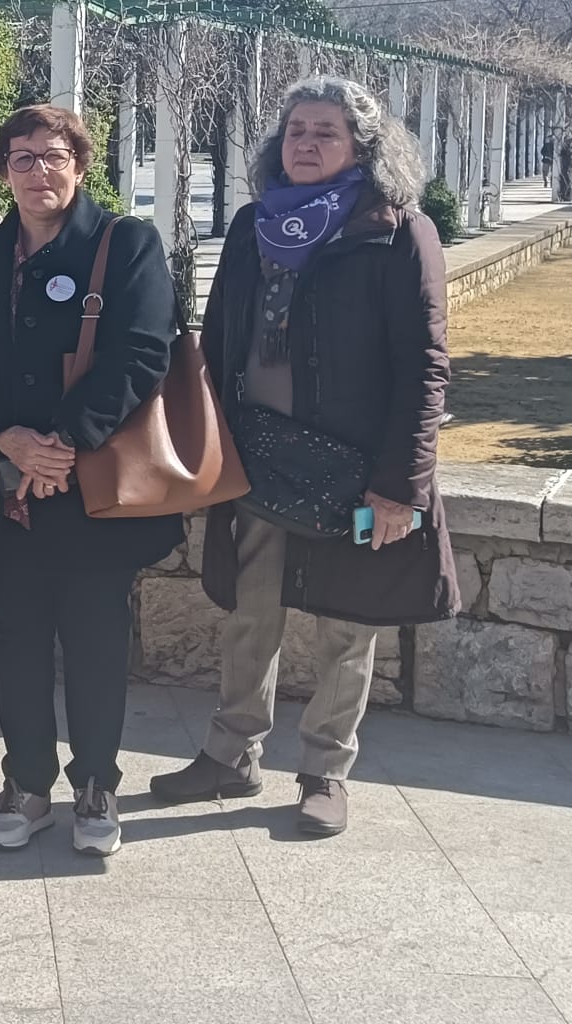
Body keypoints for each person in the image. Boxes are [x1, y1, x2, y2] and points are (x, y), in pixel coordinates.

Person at [151, 77, 457, 837]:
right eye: (296, 131)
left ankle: (326, 769)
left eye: (326, 131)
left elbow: (426, 364)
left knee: (347, 624)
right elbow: (220, 344)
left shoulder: (396, 231)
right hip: (257, 461)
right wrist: (205, 449)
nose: (308, 143)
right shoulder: (257, 225)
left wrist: (401, 485)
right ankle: (230, 754)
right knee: (249, 612)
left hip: (357, 471)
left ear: (362, 145)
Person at [0, 104, 181, 858]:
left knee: (95, 639)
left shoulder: (128, 244)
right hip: (7, 487)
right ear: (1, 171)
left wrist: (64, 445)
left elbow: (143, 355)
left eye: (53, 156)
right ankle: (27, 782)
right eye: (21, 158)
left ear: (80, 164)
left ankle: (97, 783)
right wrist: (6, 439)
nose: (38, 171)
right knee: (14, 639)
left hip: (91, 484)